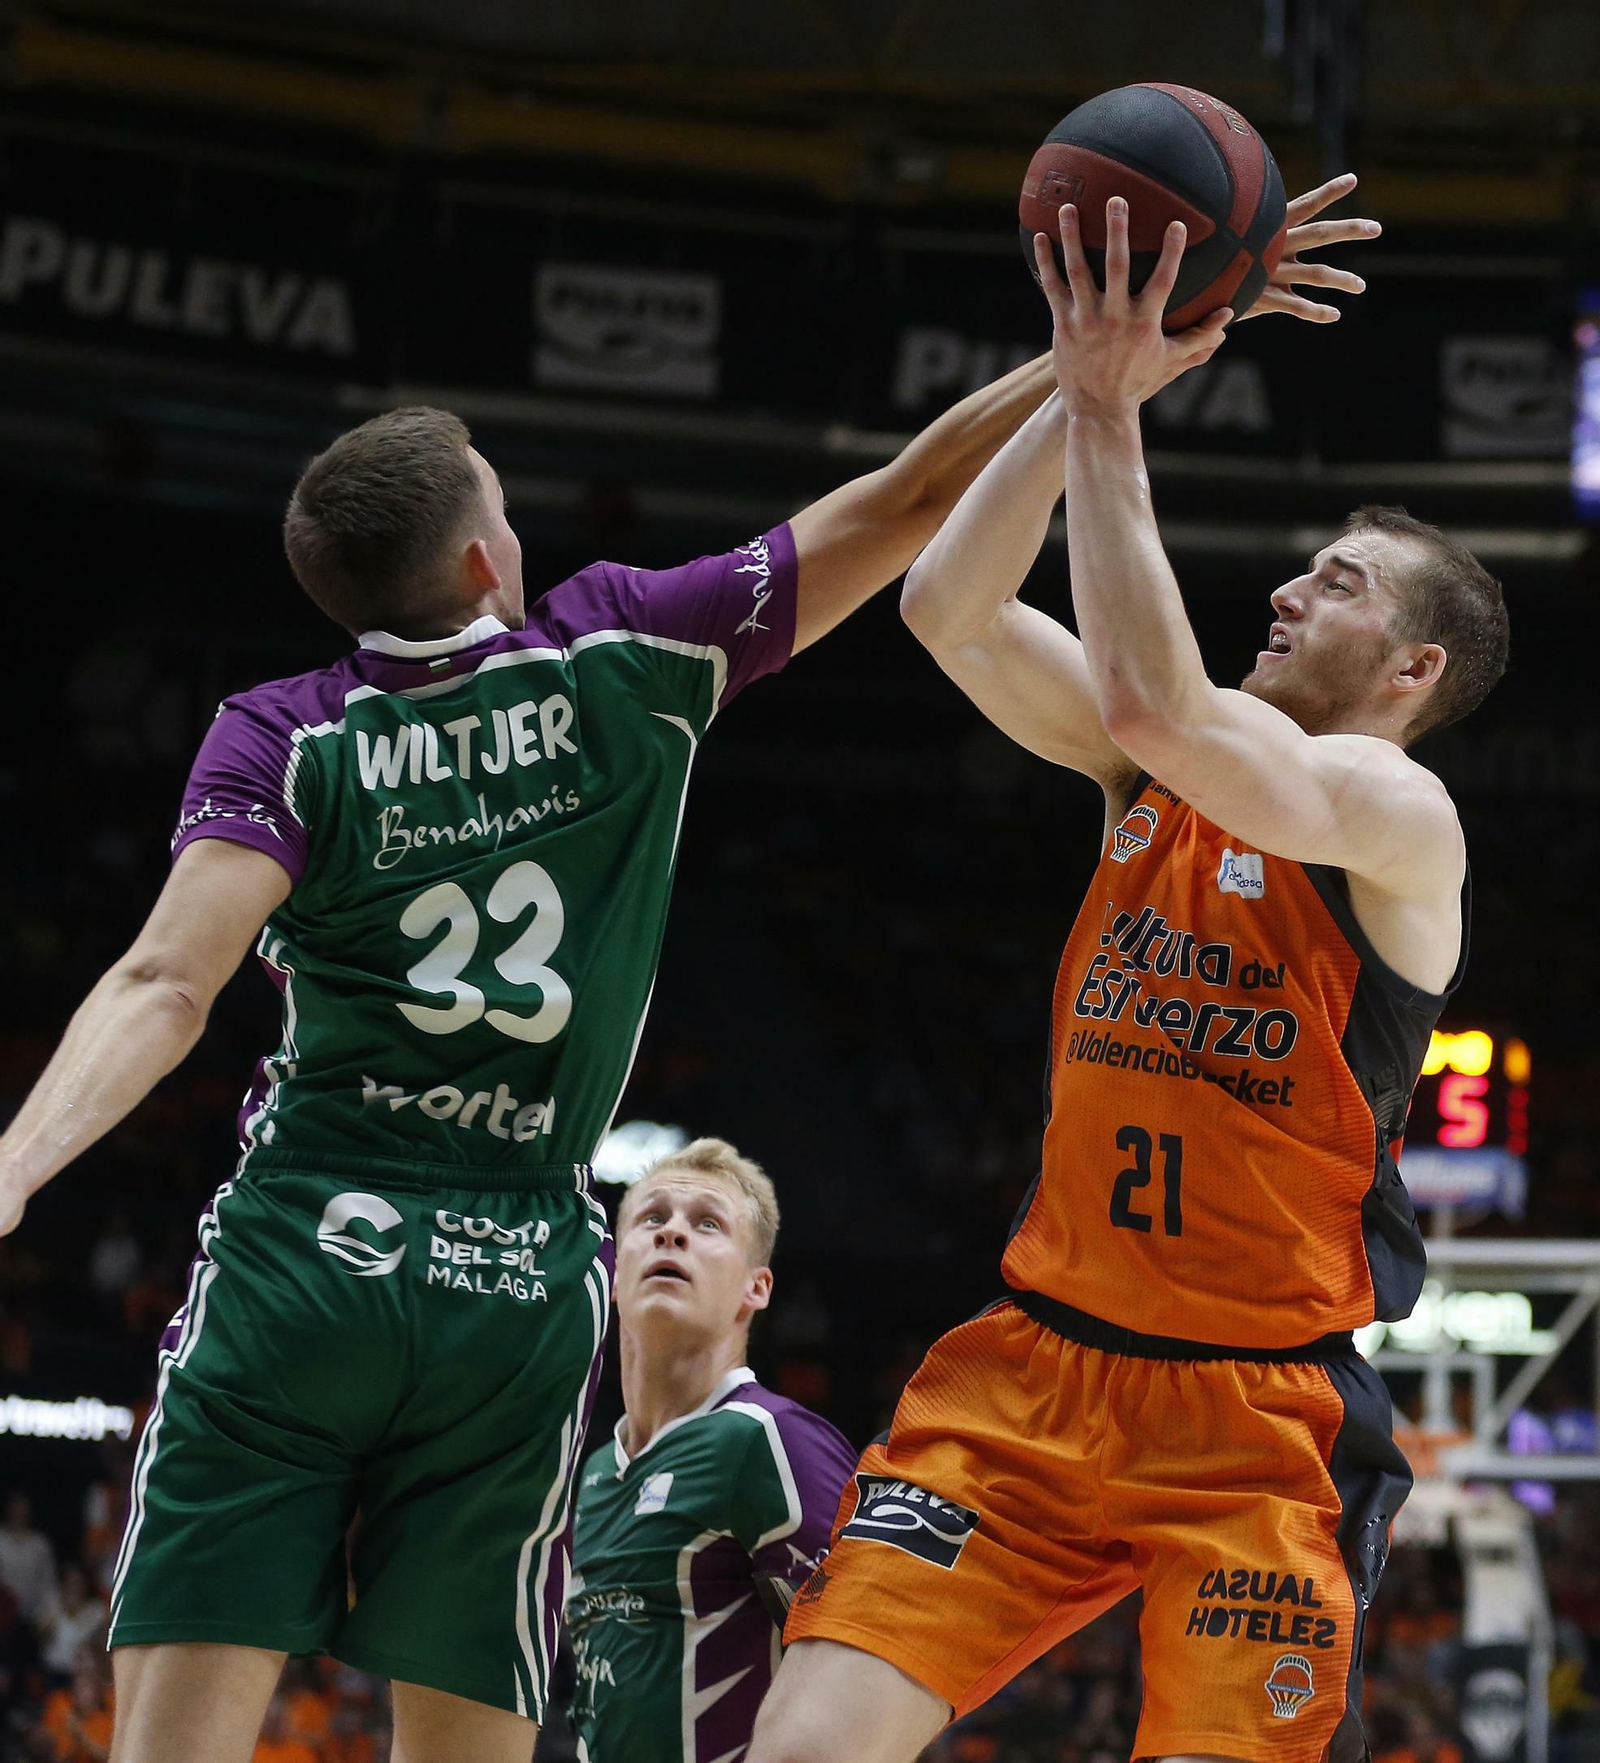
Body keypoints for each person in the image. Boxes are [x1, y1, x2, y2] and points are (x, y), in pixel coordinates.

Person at [0, 348, 1059, 1763]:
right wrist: (1090, 365)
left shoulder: (286, 732)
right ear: (491, 556)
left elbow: (161, 982)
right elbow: (918, 491)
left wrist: (11, 1169)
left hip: (304, 1245)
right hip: (513, 1278)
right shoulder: (626, 649)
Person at [759, 180, 1506, 1763]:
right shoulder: (1143, 770)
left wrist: (1110, 407)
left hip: (1256, 1429)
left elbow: (1167, 706)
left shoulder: (1395, 819)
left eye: (1342, 584)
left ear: (1415, 671)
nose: (1293, 591)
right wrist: (1097, 386)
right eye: (1305, 568)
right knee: (805, 1745)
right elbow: (946, 604)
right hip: (1032, 1372)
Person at [567, 1137, 854, 1763]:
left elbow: (871, 1664)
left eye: (707, 1224)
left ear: (757, 1287)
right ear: (614, 1274)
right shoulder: (588, 1474)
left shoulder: (769, 1441)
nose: (673, 1234)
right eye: (652, 1218)